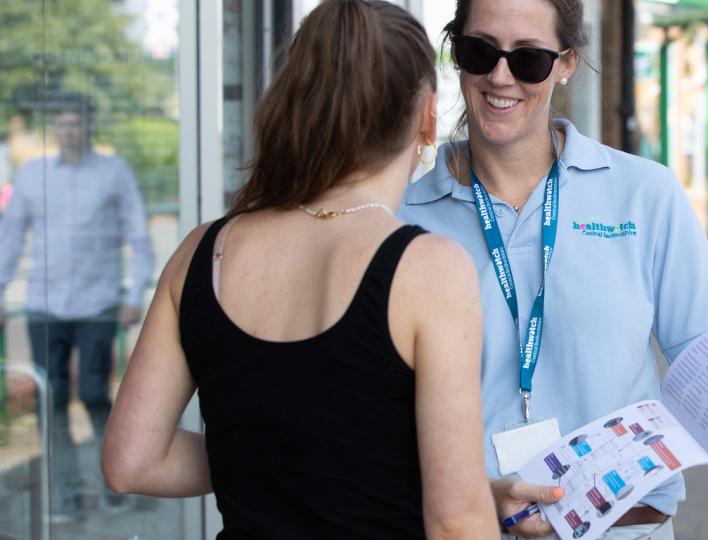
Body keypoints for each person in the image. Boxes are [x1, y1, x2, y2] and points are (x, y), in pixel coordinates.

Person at [398, 0, 708, 537]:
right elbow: (368, 430)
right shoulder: (402, 217)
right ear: (455, 54)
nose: (500, 76)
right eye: (478, 52)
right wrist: (476, 498)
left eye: (529, 59)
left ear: (567, 64)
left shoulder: (643, 194)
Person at [101, 2, 499, 537]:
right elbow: (455, 522)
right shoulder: (429, 269)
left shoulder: (202, 252)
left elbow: (132, 461)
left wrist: (275, 463)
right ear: (429, 117)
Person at [0, 95, 153, 518]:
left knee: (92, 394)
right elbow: (10, 237)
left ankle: (113, 486)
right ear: (55, 128)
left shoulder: (114, 172)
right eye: (62, 124)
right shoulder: (32, 176)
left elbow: (138, 236)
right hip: (45, 304)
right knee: (50, 402)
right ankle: (65, 497)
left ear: (88, 126)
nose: (69, 131)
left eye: (76, 123)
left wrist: (134, 295)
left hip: (97, 303)